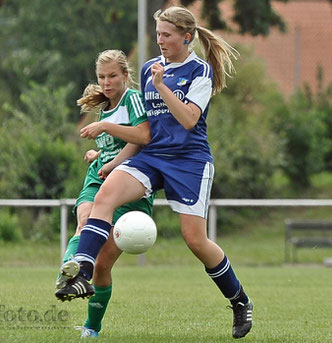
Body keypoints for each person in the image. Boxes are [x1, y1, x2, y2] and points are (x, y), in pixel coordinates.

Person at [55, 6, 253, 339]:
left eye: (167, 35)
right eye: (158, 34)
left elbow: (189, 120)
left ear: (186, 37)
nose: (159, 41)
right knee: (103, 197)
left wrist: (162, 87)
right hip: (153, 157)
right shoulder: (149, 68)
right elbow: (143, 128)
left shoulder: (198, 70)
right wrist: (108, 151)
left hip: (189, 161)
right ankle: (81, 272)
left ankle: (240, 301)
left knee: (195, 240)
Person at [54, 50, 154, 338]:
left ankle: (92, 326)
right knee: (84, 220)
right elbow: (116, 142)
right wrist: (99, 153)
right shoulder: (105, 107)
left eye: (112, 76)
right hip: (99, 176)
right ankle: (68, 274)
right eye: (101, 77)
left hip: (128, 183)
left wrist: (110, 157)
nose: (106, 82)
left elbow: (142, 138)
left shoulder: (133, 98)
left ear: (125, 75)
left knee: (102, 264)